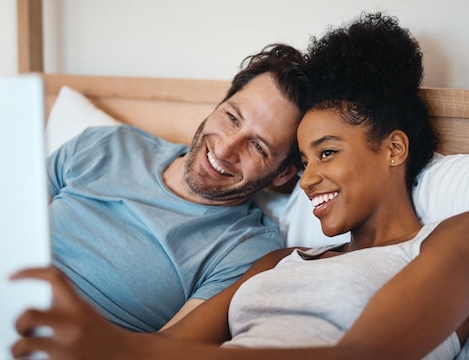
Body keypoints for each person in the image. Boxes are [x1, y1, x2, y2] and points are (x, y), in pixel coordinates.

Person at [10, 12, 469, 360]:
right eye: (306, 159)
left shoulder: (462, 234)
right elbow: (167, 349)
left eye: (326, 153)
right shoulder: (281, 260)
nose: (308, 180)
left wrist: (111, 345)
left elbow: (365, 355)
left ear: (395, 149)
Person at [44, 43, 308, 332]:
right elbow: (0, 224)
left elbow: (165, 349)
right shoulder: (105, 145)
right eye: (232, 117)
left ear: (282, 174)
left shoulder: (246, 251)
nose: (225, 148)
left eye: (258, 146)